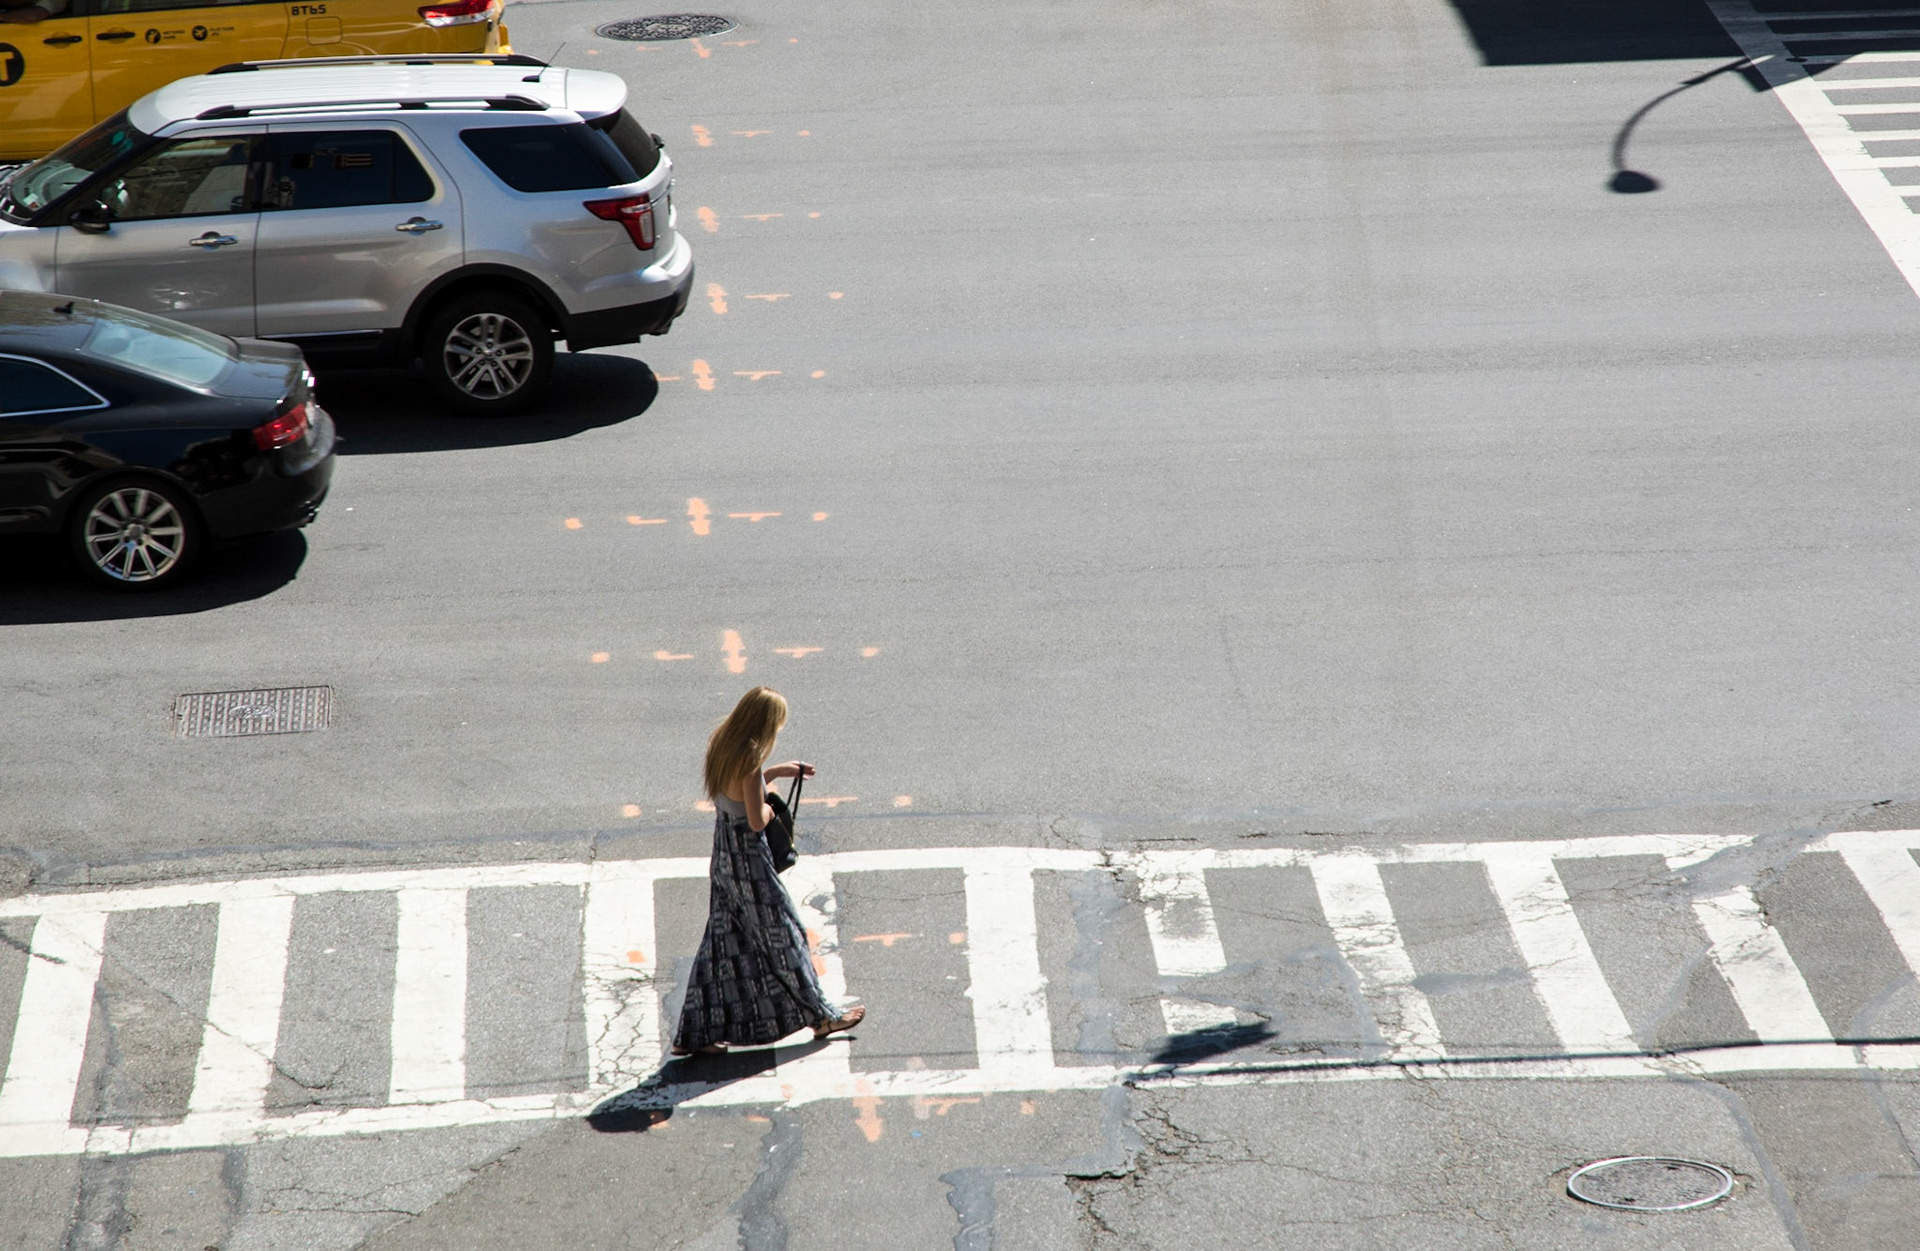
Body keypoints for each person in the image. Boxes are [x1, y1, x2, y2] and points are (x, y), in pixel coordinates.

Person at [671, 686, 865, 1056]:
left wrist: (776, 771)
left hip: (724, 857)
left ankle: (693, 1034)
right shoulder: (750, 758)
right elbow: (757, 820)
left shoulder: (722, 742)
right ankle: (822, 1017)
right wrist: (772, 810)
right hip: (750, 863)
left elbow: (734, 794)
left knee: (721, 944)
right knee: (785, 936)